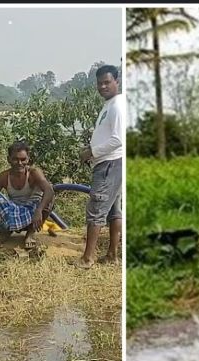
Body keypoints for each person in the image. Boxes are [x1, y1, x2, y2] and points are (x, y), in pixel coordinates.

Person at [74, 65, 123, 269]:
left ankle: (87, 258)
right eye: (100, 83)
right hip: (110, 163)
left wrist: (92, 152)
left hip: (110, 164)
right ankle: (112, 254)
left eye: (107, 82)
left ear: (116, 82)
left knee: (96, 209)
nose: (103, 86)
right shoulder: (109, 105)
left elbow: (118, 139)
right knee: (114, 210)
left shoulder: (117, 106)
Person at [0, 141, 55, 249]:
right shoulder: (3, 177)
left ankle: (30, 234)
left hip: (32, 213)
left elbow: (49, 191)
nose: (19, 163)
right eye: (15, 159)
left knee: (49, 194)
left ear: (28, 159)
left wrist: (39, 210)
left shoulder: (33, 173)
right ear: (9, 159)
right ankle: (7, 230)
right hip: (13, 213)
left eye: (23, 159)